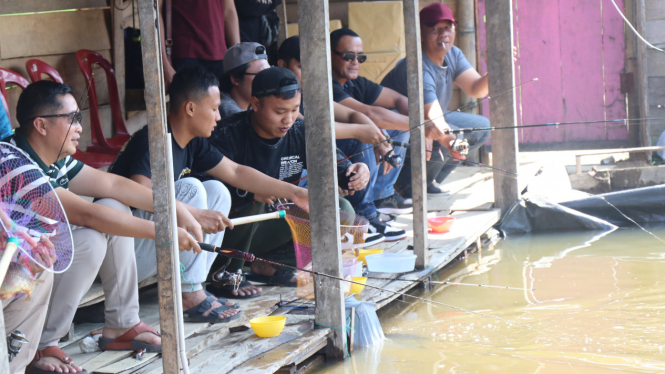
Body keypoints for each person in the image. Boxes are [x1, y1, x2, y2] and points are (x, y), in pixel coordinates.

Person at [7, 81, 202, 374]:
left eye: (80, 118)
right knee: (94, 235)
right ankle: (41, 344)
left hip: (31, 273)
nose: (79, 127)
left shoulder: (51, 157)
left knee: (113, 204)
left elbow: (110, 184)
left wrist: (174, 210)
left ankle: (123, 324)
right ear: (41, 125)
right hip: (11, 282)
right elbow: (87, 215)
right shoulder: (18, 167)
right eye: (72, 119)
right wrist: (166, 232)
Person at [109, 66, 310, 301]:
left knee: (217, 191)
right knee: (192, 187)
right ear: (191, 108)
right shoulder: (153, 139)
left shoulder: (194, 141)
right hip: (123, 254)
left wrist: (295, 193)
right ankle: (191, 294)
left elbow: (235, 171)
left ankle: (196, 284)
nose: (219, 116)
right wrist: (193, 212)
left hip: (155, 246)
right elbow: (140, 188)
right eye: (214, 109)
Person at [205, 67, 371, 288]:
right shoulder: (228, 134)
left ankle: (271, 266)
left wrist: (356, 172)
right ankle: (227, 271)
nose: (289, 119)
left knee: (341, 210)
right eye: (280, 111)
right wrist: (250, 193)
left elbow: (338, 167)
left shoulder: (300, 131)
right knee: (254, 201)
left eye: (294, 110)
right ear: (255, 104)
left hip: (271, 229)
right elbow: (208, 188)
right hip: (229, 232)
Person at [277, 35, 405, 241]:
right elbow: (307, 128)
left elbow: (353, 115)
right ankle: (363, 216)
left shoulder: (310, 92)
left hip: (310, 164)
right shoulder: (281, 95)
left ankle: (367, 213)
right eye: (302, 67)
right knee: (359, 138)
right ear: (282, 65)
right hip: (289, 177)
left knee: (374, 132)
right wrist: (362, 133)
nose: (309, 74)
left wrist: (378, 138)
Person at [381, 3, 490, 195]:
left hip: (428, 119)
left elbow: (476, 89)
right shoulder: (417, 66)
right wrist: (450, 137)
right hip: (399, 127)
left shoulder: (453, 53)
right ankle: (406, 186)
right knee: (447, 135)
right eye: (434, 29)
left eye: (448, 27)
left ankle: (429, 180)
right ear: (421, 35)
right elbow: (433, 115)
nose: (443, 34)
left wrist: (495, 68)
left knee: (481, 127)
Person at [159, 0, 240, 89]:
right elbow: (155, 12)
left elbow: (229, 11)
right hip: (186, 55)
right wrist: (165, 65)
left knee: (222, 102)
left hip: (220, 56)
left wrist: (239, 59)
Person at [219, 42, 271, 119]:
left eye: (269, 73)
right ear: (236, 79)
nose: (268, 80)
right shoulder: (226, 111)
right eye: (260, 75)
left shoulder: (253, 104)